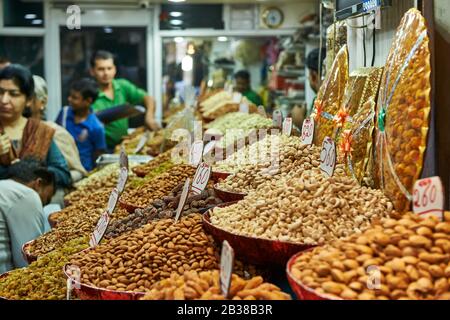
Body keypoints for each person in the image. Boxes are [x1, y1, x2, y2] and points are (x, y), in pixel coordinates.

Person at [0, 64, 71, 188]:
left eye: (13, 94)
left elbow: (63, 174)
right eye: (0, 92)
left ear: (28, 100)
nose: (4, 100)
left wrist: (32, 171)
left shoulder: (40, 131)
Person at [89, 50, 159, 149]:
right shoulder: (89, 93)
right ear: (92, 71)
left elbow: (148, 98)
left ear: (115, 69)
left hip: (124, 145)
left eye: (109, 68)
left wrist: (149, 117)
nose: (106, 73)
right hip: (100, 148)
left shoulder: (122, 86)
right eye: (101, 69)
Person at [0, 158, 55, 272]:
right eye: (45, 200)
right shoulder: (26, 194)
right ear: (38, 184)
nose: (42, 207)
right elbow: (28, 260)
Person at [30, 75, 87, 182]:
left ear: (43, 102)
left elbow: (79, 172)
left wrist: (48, 179)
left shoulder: (55, 133)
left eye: (29, 97)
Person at [56, 78, 107, 172]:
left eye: (74, 98)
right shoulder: (64, 113)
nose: (69, 99)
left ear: (88, 101)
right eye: (70, 96)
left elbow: (99, 156)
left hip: (83, 171)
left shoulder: (96, 127)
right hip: (61, 167)